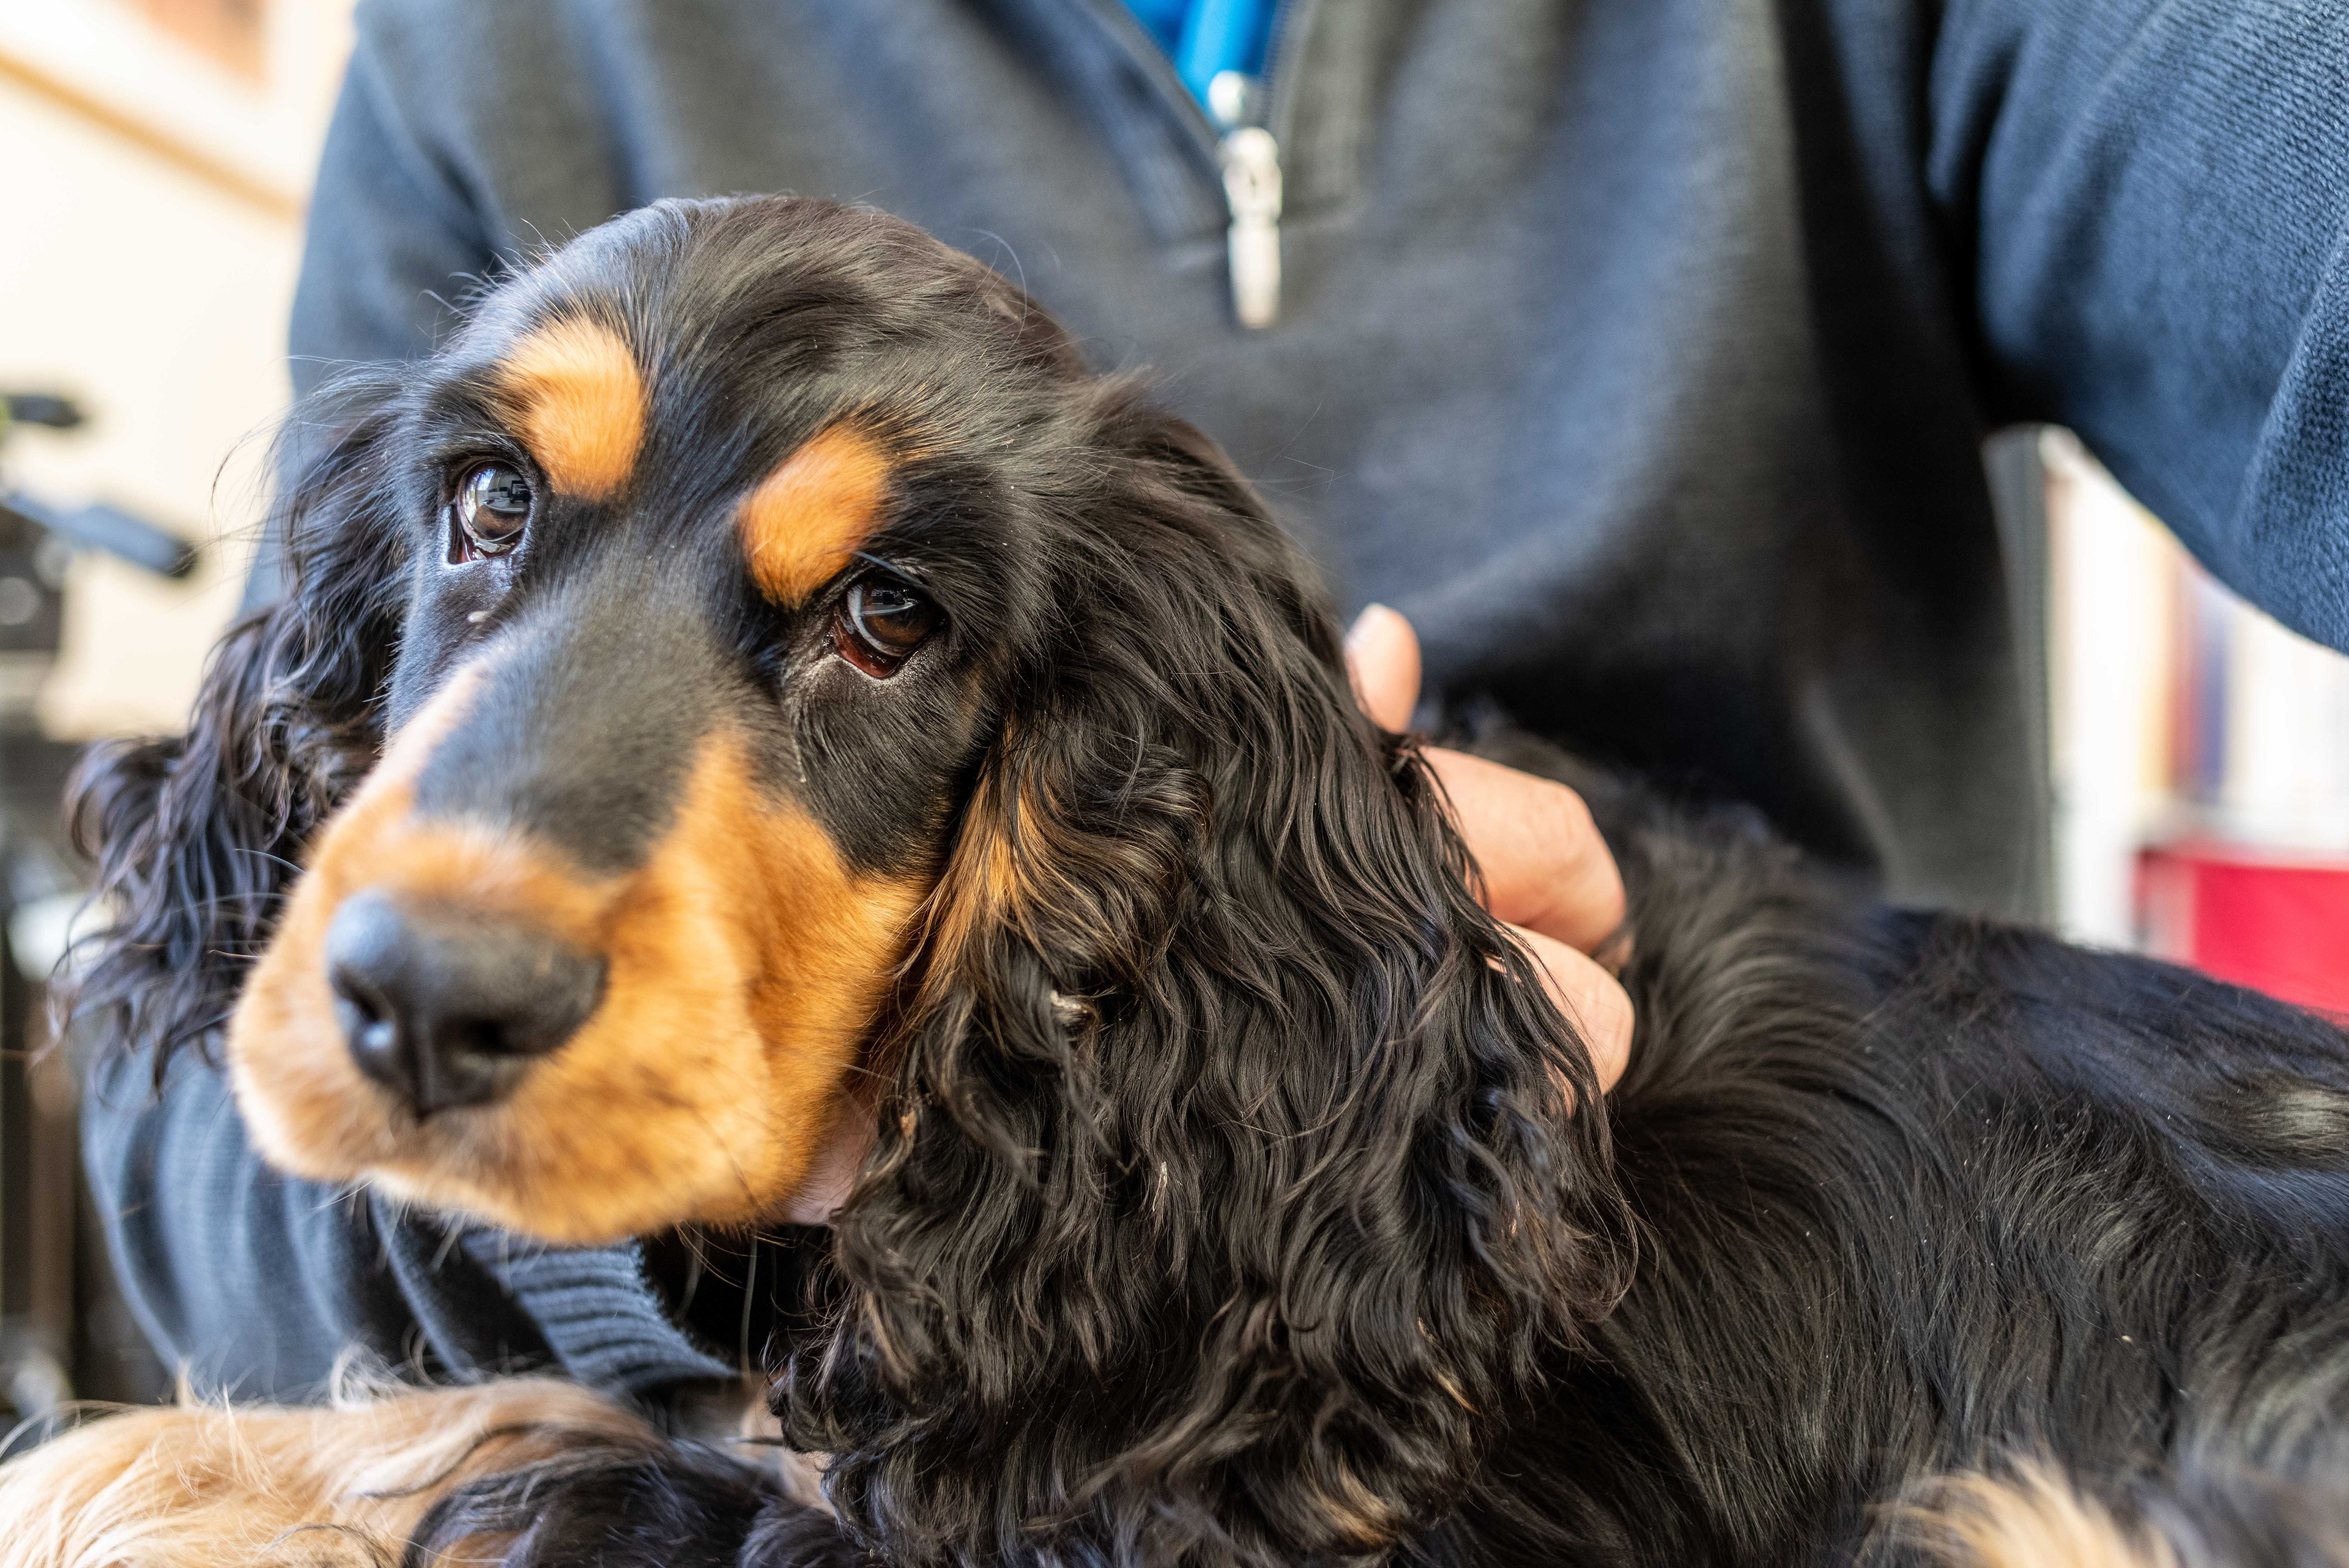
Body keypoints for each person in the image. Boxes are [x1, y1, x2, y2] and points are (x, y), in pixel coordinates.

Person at [81, 0, 2349, 1400]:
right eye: (496, 508)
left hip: (1786, 1255)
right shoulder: (497, 44)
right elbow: (184, 1127)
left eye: (879, 619)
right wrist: (717, 1262)